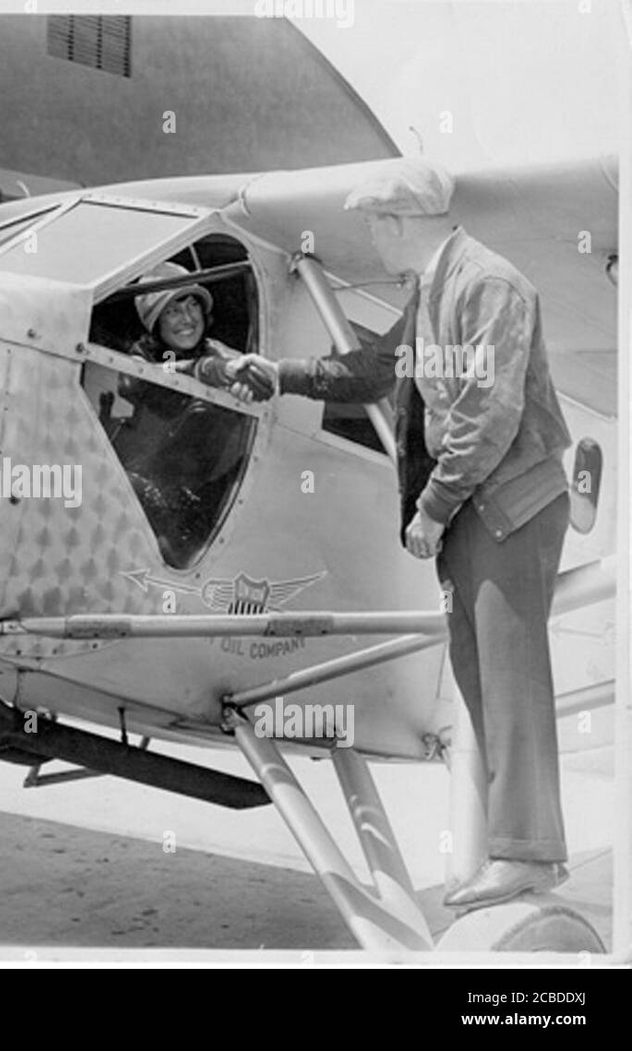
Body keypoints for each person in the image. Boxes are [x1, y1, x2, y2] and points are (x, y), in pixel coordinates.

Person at [231, 158, 574, 911]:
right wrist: (280, 373)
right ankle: (519, 848)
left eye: (374, 224)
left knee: (510, 677)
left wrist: (433, 507)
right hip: (477, 503)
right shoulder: (432, 289)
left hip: (508, 503)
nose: (371, 239)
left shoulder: (488, 285)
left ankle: (529, 854)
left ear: (399, 222)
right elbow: (375, 370)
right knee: (482, 677)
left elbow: (488, 418)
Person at [113, 263, 248, 565]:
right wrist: (193, 369)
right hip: (151, 482)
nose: (187, 319)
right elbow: (132, 380)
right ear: (156, 323)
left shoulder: (215, 351)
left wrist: (245, 380)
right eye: (173, 311)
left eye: (192, 306)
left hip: (207, 491)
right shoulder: (143, 354)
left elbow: (248, 369)